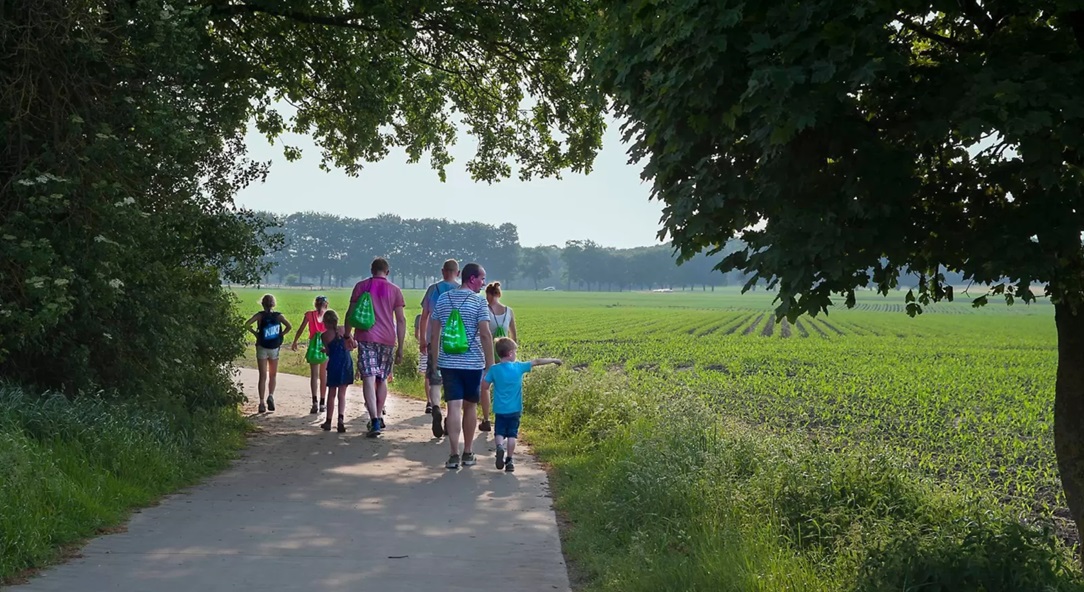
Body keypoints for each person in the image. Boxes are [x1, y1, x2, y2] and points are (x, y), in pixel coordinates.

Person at [429, 262, 494, 469]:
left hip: (448, 363)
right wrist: (490, 364)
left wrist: (435, 360)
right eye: (482, 279)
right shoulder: (479, 302)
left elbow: (435, 332)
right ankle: (468, 452)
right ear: (472, 278)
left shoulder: (443, 299)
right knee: (470, 406)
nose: (484, 283)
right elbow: (485, 334)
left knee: (454, 406)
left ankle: (453, 454)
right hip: (473, 363)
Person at [347, 257, 406, 438]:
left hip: (366, 336)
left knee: (369, 378)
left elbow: (351, 313)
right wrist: (401, 347)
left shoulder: (361, 286)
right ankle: (379, 415)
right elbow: (401, 320)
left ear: (371, 270)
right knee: (382, 378)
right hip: (388, 338)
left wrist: (347, 334)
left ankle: (373, 419)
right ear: (387, 272)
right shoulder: (395, 290)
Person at [483, 337, 561, 472]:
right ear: (510, 353)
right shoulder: (518, 367)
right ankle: (509, 460)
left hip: (500, 409)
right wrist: (554, 360)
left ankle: (500, 447)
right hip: (515, 409)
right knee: (512, 435)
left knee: (499, 433)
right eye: (515, 351)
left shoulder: (494, 369)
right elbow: (536, 361)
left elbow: (484, 386)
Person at [418, 259, 460, 438]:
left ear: (443, 271)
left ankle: (435, 406)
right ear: (457, 273)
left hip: (434, 340)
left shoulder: (433, 290)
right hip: (456, 343)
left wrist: (422, 339)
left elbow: (424, 316)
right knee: (453, 381)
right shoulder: (462, 291)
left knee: (434, 378)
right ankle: (449, 417)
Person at [478, 281, 518, 432]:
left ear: (488, 295)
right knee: (504, 387)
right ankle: (506, 417)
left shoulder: (484, 311)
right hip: (505, 354)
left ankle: (486, 419)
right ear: (499, 294)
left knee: (485, 388)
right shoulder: (509, 311)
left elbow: (481, 333)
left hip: (487, 354)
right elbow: (514, 335)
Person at [245, 294, 292, 413]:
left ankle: (261, 403)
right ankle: (270, 396)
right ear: (273, 304)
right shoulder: (278, 316)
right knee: (273, 375)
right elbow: (289, 326)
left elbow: (247, 324)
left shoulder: (260, 315)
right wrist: (281, 335)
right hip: (274, 348)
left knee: (262, 376)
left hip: (262, 346)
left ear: (262, 303)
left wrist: (256, 334)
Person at [291, 295, 329, 414]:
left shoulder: (309, 315)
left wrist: (295, 341)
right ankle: (323, 402)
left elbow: (301, 329)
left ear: (315, 304)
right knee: (324, 376)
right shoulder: (328, 315)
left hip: (313, 347)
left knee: (314, 376)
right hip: (325, 346)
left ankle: (314, 402)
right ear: (326, 304)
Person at [320, 310, 355, 433]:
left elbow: (329, 352)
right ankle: (341, 419)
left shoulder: (324, 335)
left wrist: (325, 350)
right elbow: (353, 345)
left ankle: (328, 421)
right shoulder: (344, 329)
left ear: (325, 322)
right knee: (342, 394)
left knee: (331, 393)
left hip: (334, 364)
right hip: (346, 363)